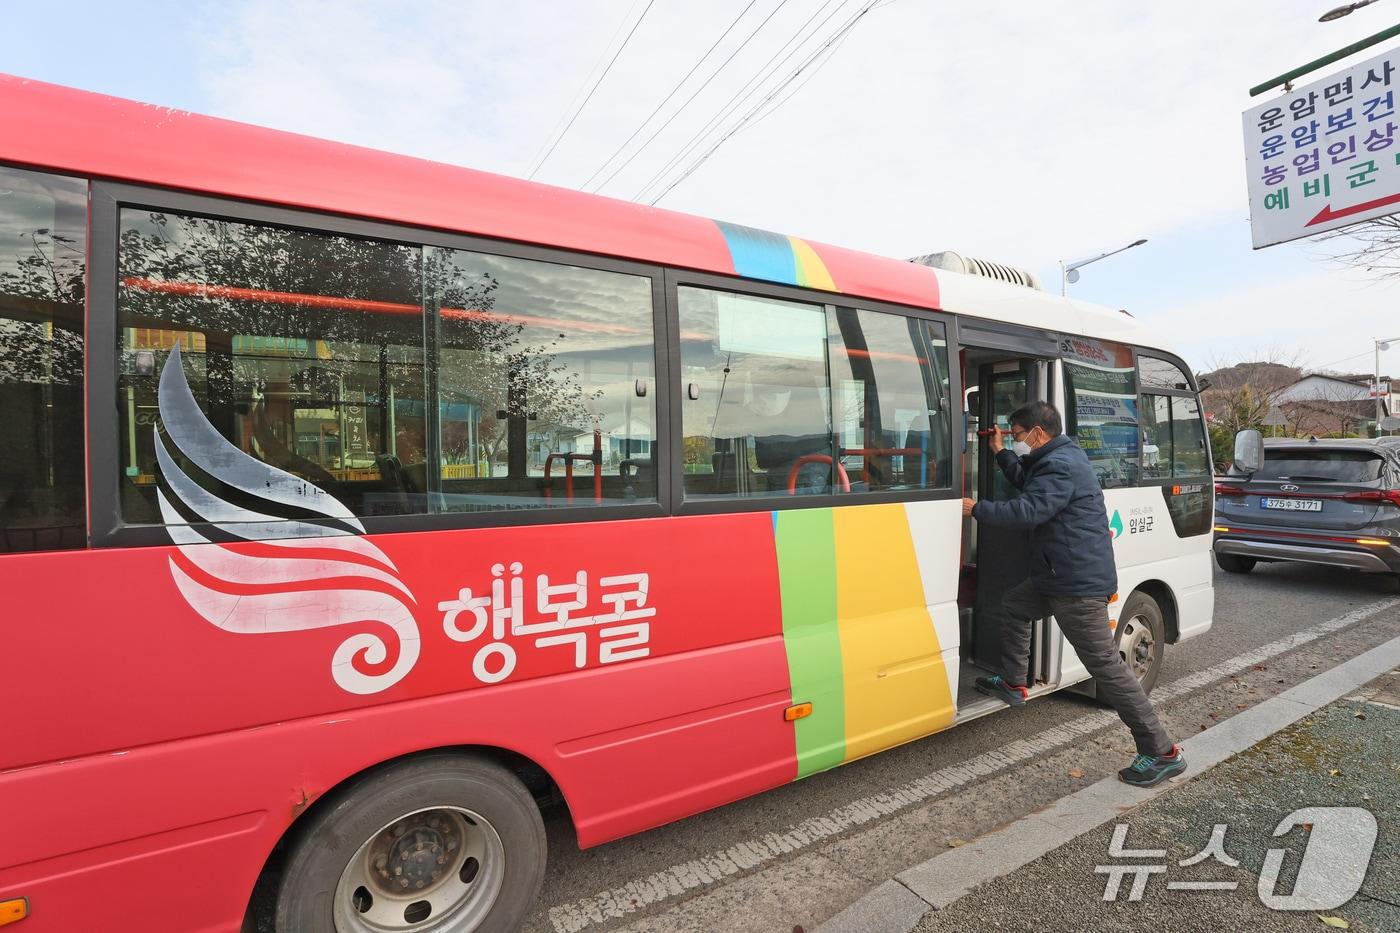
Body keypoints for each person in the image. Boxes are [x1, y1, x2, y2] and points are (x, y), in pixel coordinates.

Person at [960, 401, 1185, 788]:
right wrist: (1000, 452)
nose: (1016, 441)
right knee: (1015, 606)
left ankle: (1162, 752)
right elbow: (1027, 482)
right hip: (1056, 575)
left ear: (1038, 433)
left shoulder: (1060, 465)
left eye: (1017, 435)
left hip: (1076, 585)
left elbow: (1028, 511)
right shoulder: (1055, 458)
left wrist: (977, 509)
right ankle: (1014, 681)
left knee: (1107, 668)